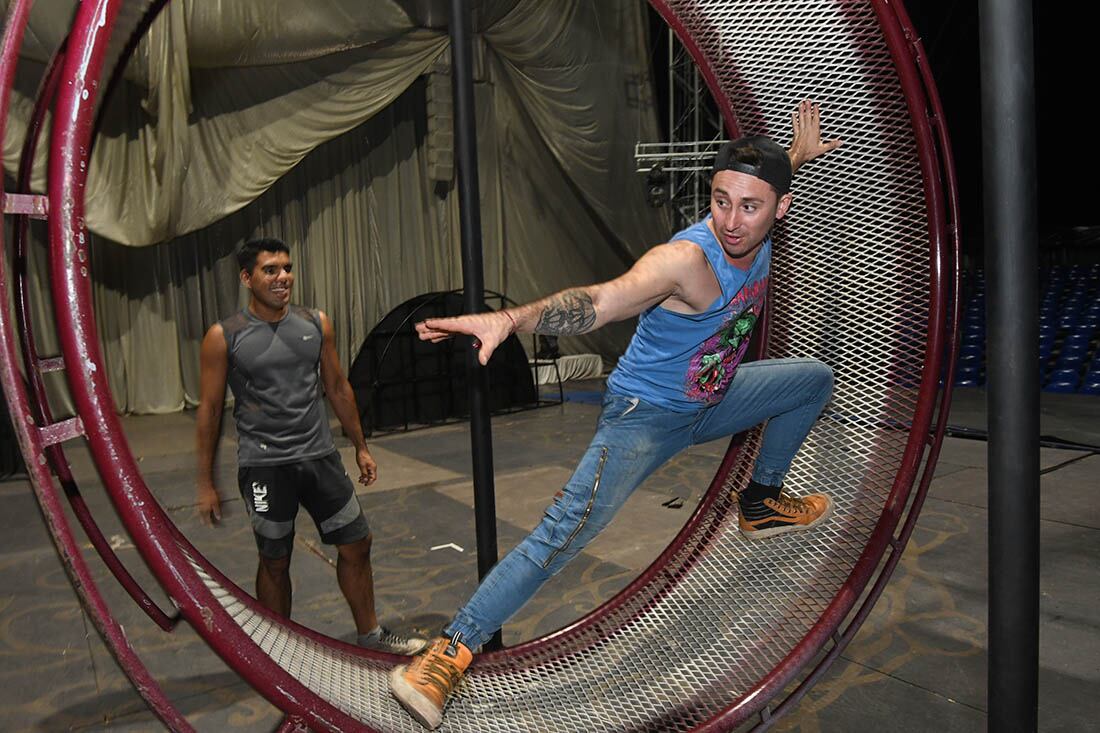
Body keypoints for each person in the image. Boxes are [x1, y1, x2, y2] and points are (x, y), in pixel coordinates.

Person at [390, 101, 843, 729]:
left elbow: (771, 175)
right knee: (561, 535)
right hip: (644, 416)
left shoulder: (762, 207)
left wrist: (797, 157)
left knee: (811, 381)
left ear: (779, 207)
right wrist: (513, 319)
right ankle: (447, 651)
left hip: (710, 399)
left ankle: (761, 499)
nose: (732, 221)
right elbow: (602, 300)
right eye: (719, 201)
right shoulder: (686, 260)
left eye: (749, 206)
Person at [195, 237, 426, 655]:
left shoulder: (315, 323)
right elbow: (210, 411)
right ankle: (279, 650)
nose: (283, 277)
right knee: (275, 560)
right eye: (270, 270)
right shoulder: (223, 336)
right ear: (247, 278)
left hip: (319, 458)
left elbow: (337, 387)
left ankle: (370, 636)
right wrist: (205, 482)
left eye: (287, 268)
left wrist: (360, 446)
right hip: (265, 467)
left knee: (357, 543)